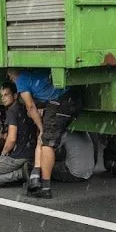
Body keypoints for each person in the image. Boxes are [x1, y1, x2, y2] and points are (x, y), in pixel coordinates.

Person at [6, 67, 82, 199]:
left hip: (61, 100)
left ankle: (45, 187)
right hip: (73, 97)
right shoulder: (33, 74)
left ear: (13, 73)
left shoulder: (21, 80)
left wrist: (41, 128)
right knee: (46, 138)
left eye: (10, 76)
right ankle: (36, 176)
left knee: (47, 142)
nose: (11, 79)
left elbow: (30, 106)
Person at [0, 81, 37, 188]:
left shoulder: (12, 111)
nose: (3, 98)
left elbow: (11, 138)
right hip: (30, 154)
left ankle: (20, 174)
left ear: (15, 96)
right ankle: (24, 169)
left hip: (16, 156)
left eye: (6, 95)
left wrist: (3, 155)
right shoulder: (24, 108)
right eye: (2, 95)